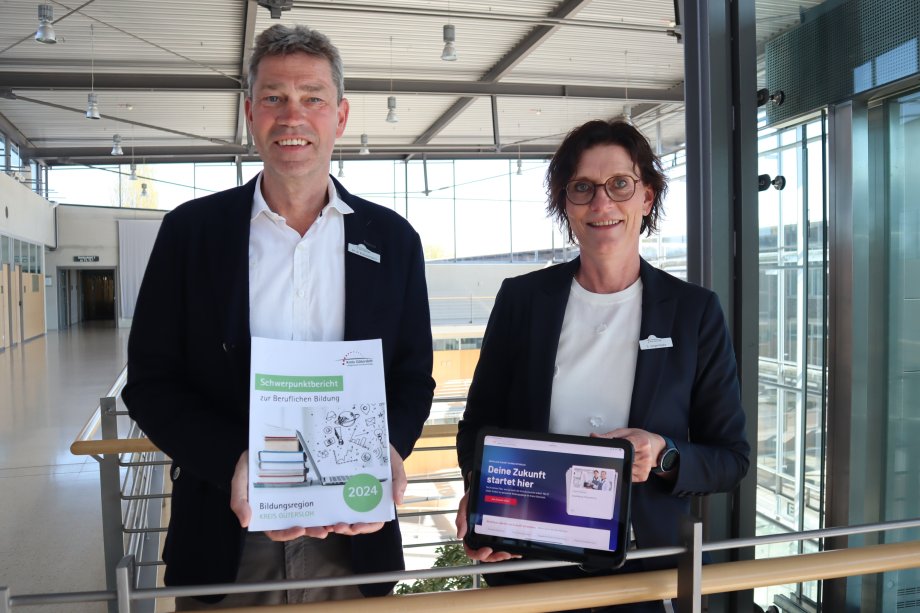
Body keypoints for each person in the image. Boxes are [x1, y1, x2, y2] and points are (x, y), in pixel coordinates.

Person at [122, 24, 434, 609]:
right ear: (249, 113)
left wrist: (387, 449)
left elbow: (413, 378)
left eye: (313, 98)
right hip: (225, 537)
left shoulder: (394, 240)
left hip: (354, 538)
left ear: (340, 116)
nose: (293, 116)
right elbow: (151, 383)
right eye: (274, 98)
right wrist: (233, 463)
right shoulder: (190, 234)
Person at [455, 119, 750, 612]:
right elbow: (478, 425)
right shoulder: (522, 300)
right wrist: (480, 492)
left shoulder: (694, 312)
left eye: (619, 184)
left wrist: (663, 454)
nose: (601, 203)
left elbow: (730, 459)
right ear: (565, 204)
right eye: (582, 188)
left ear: (647, 197)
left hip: (639, 575)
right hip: (531, 560)